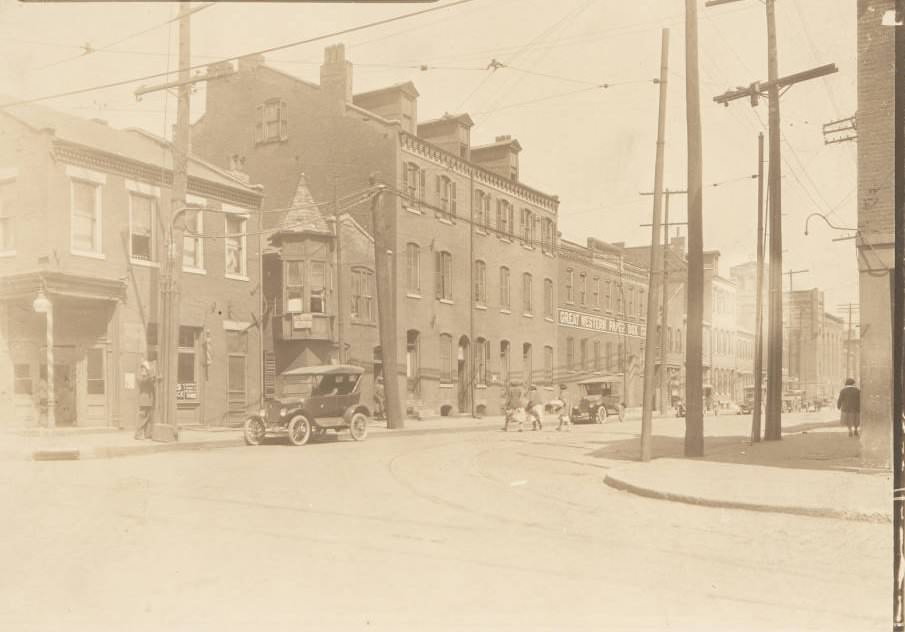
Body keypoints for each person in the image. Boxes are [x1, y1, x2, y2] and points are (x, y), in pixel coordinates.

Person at [134, 360, 157, 440]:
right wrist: (149, 371)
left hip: (149, 400)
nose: (145, 370)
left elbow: (152, 381)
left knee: (149, 418)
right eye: (144, 368)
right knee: (142, 418)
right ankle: (138, 434)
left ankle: (147, 434)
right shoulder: (140, 376)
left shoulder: (147, 376)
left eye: (146, 369)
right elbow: (145, 381)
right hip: (144, 401)